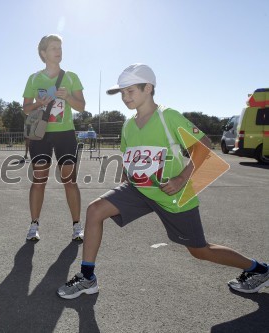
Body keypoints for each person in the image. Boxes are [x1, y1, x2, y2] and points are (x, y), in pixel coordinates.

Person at [57, 63, 269, 299]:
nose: (125, 98)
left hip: (173, 195)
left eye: (130, 91)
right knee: (95, 210)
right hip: (139, 190)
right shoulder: (128, 125)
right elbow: (130, 157)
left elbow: (205, 147)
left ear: (148, 88)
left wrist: (181, 178)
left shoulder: (168, 116)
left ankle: (258, 269)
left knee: (200, 251)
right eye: (122, 93)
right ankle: (88, 278)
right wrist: (126, 177)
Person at [22, 34, 85, 241]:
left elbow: (81, 106)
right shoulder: (33, 78)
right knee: (39, 181)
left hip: (65, 134)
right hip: (41, 134)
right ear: (43, 53)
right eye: (53, 48)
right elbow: (25, 108)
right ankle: (34, 225)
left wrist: (67, 97)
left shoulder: (71, 76)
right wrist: (40, 103)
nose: (58, 51)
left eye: (60, 47)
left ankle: (77, 226)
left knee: (70, 181)